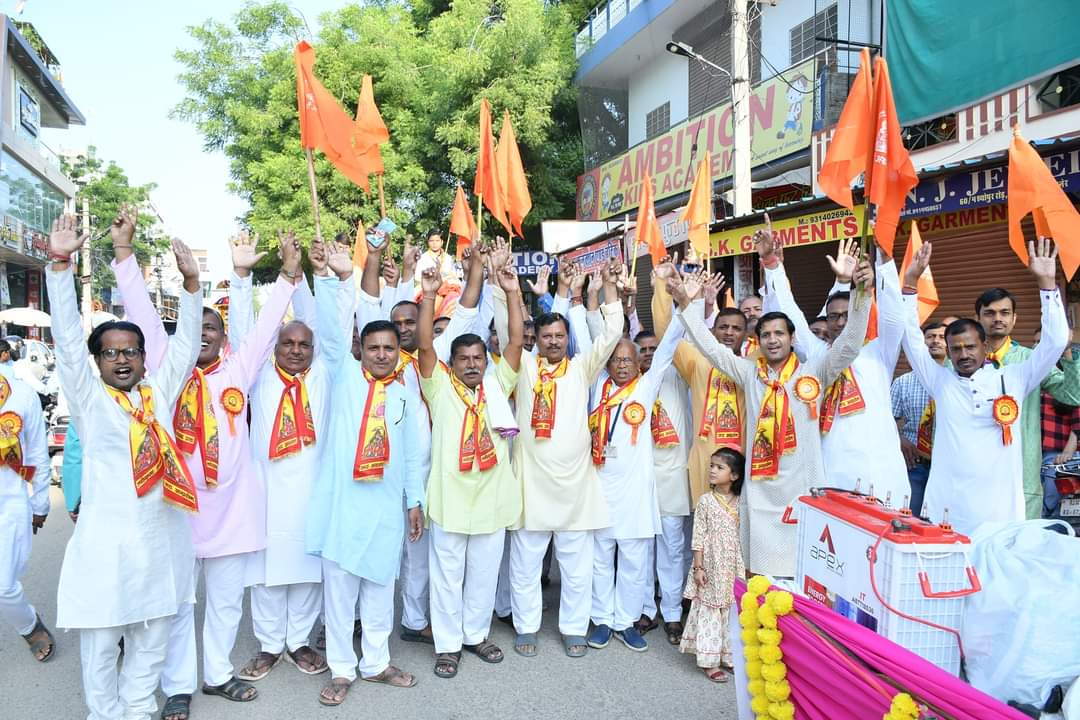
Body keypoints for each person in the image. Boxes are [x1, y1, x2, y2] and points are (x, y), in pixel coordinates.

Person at [47, 214, 201, 720]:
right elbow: (67, 342)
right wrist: (60, 265)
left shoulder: (159, 394)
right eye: (111, 353)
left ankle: (136, 710)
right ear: (98, 362)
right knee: (101, 643)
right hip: (107, 547)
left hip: (161, 544)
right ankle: (105, 714)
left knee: (152, 641)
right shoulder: (91, 402)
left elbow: (185, 348)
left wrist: (193, 286)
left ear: (143, 358)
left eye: (131, 352)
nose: (122, 360)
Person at [670, 255, 872, 578]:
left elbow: (849, 344)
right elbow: (712, 349)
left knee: (804, 572)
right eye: (766, 335)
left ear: (792, 339)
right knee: (757, 575)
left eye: (779, 333)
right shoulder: (749, 373)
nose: (773, 340)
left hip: (803, 489)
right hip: (760, 492)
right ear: (759, 340)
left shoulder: (814, 372)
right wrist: (685, 305)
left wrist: (861, 292)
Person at [894, 238, 1067, 535]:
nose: (963, 354)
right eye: (956, 348)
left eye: (970, 346)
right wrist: (910, 284)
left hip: (999, 512)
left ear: (984, 346)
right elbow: (910, 338)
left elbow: (1056, 342)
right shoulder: (941, 382)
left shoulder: (1015, 378)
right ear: (948, 352)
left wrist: (1047, 284)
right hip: (947, 509)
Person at [240, 238, 354, 686]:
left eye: (304, 344)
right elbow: (248, 329)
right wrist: (250, 277)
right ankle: (270, 644)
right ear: (275, 347)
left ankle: (299, 640)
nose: (295, 350)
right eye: (287, 343)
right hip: (267, 491)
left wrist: (334, 278)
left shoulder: (325, 373)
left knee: (308, 571)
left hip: (312, 490)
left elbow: (335, 327)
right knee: (267, 572)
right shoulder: (257, 376)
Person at [500, 258, 624, 658]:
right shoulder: (525, 367)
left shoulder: (582, 367)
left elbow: (612, 333)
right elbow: (509, 332)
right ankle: (526, 627)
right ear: (537, 339)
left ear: (568, 337)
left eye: (559, 335)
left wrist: (609, 289)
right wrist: (510, 291)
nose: (553, 341)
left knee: (576, 569)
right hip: (531, 487)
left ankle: (573, 628)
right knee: (524, 566)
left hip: (574, 489)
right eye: (547, 336)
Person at [307, 312, 427, 705]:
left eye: (389, 348)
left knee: (379, 590)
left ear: (399, 351)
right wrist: (333, 281)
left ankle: (376, 663)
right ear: (360, 350)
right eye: (373, 347)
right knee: (340, 597)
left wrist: (415, 501)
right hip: (343, 511)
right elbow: (331, 328)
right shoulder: (344, 378)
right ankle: (342, 669)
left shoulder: (404, 395)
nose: (381, 355)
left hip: (385, 510)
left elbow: (411, 454)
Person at [417, 251, 524, 679]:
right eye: (463, 359)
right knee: (447, 576)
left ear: (485, 360)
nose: (472, 364)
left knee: (482, 574)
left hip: (491, 499)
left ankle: (475, 635)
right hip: (450, 500)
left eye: (478, 357)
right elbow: (425, 346)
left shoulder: (498, 385)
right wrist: (428, 297)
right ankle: (447, 646)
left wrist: (512, 293)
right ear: (453, 363)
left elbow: (515, 344)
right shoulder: (438, 387)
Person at [759, 231, 909, 505]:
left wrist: (884, 261)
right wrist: (771, 265)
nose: (840, 322)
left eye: (847, 315)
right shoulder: (818, 354)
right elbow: (791, 312)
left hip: (880, 474)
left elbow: (894, 317)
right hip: (829, 472)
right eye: (833, 317)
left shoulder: (879, 351)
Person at [585, 306, 682, 653]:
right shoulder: (597, 386)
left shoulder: (647, 385)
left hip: (635, 493)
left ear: (639, 361)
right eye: (616, 359)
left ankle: (625, 621)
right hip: (600, 487)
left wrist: (684, 308)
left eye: (628, 359)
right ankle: (601, 619)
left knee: (633, 561)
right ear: (607, 364)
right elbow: (596, 334)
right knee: (599, 559)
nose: (622, 365)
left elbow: (667, 349)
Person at [357, 238, 435, 647]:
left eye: (411, 323)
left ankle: (414, 619)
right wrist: (381, 263)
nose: (404, 330)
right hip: (373, 473)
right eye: (396, 324)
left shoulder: (427, 363)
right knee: (369, 548)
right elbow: (369, 305)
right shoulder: (369, 367)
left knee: (417, 553)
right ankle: (359, 620)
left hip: (418, 471)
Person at [974, 286, 1080, 518]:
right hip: (974, 472)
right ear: (977, 318)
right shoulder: (962, 361)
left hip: (1021, 471)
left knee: (1019, 536)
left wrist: (1067, 353)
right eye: (990, 313)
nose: (998, 318)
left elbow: (1072, 396)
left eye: (1004, 313)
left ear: (1014, 319)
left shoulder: (1031, 359)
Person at [633, 327, 694, 644]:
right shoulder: (629, 384)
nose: (647, 354)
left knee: (672, 549)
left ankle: (672, 613)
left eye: (653, 349)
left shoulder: (676, 375)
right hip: (639, 480)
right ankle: (645, 609)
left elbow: (681, 342)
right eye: (641, 349)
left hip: (672, 478)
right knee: (642, 549)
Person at [0, 360, 51, 661]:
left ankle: (29, 625)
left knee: (4, 586)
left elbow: (36, 454)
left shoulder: (20, 394)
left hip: (8, 502)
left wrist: (40, 502)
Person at [680, 447, 745, 682]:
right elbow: (698, 537)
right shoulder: (706, 501)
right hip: (710, 563)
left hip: (732, 563)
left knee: (731, 609)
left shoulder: (741, 502)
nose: (712, 471)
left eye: (719, 467)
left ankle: (729, 657)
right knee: (710, 609)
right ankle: (709, 661)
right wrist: (698, 568)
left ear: (734, 475)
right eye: (711, 466)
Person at [891, 322, 946, 515]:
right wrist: (900, 439)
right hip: (914, 463)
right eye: (930, 336)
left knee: (942, 519)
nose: (936, 341)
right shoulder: (903, 382)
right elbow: (887, 419)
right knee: (908, 516)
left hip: (947, 465)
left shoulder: (957, 379)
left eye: (941, 337)